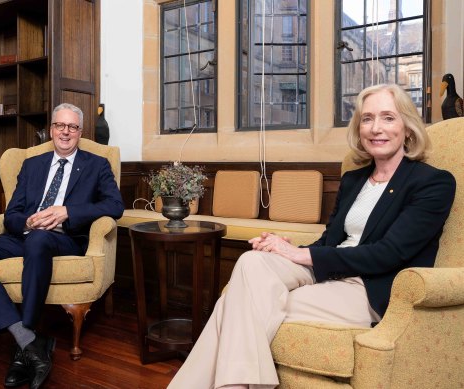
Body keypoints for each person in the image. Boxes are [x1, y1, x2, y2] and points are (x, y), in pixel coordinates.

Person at [167, 84, 457, 389]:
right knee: (253, 262)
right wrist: (285, 248)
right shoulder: (353, 180)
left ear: (408, 128)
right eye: (367, 119)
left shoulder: (432, 183)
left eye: (388, 118)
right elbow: (328, 243)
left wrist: (301, 256)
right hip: (328, 270)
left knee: (237, 303)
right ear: (359, 128)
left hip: (370, 286)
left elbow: (389, 253)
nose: (376, 128)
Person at [0, 103, 125, 389]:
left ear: (80, 132)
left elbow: (115, 206)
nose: (65, 132)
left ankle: (25, 346)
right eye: (60, 125)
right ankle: (29, 341)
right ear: (51, 129)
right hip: (24, 235)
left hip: (64, 238)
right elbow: (12, 214)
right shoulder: (32, 165)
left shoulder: (97, 165)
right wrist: (29, 222)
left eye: (72, 127)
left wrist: (67, 211)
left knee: (40, 240)